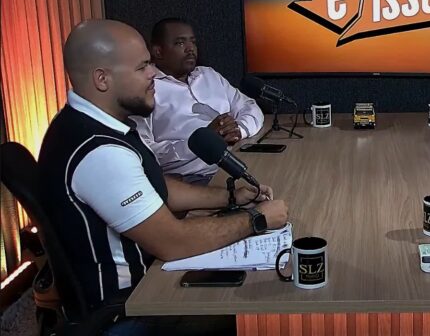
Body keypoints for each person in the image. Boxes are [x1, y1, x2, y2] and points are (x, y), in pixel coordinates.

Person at [37, 20, 289, 335]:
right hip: (132, 306)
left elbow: (156, 186)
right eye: (142, 67)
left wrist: (230, 196)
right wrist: (257, 219)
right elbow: (173, 242)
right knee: (265, 311)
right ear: (102, 79)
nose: (153, 74)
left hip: (144, 285)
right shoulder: (100, 152)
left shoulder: (89, 123)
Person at [133, 18, 264, 185]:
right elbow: (144, 153)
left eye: (193, 42)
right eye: (180, 43)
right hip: (196, 179)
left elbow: (249, 106)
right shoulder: (145, 89)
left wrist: (239, 130)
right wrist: (202, 142)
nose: (190, 49)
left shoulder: (209, 75)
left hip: (241, 161)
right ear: (158, 51)